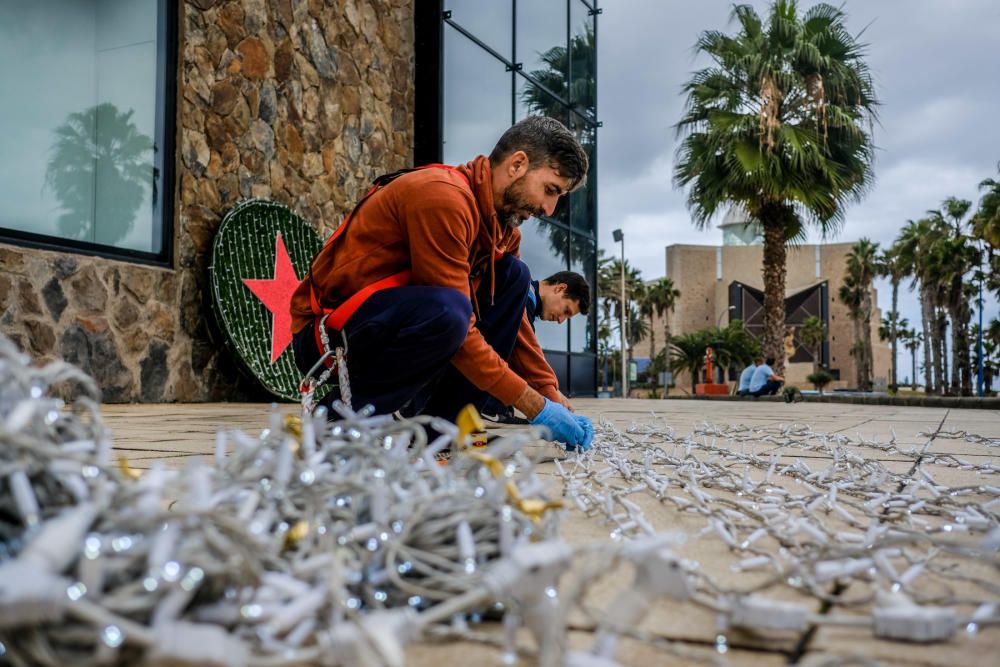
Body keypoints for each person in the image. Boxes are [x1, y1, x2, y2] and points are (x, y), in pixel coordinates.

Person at [289, 116, 593, 450]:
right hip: (328, 338)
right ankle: (341, 419)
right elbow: (459, 331)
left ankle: (447, 431)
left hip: (387, 328)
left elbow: (516, 323)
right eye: (551, 190)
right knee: (450, 312)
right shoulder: (443, 198)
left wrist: (550, 394)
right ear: (518, 164)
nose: (549, 209)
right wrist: (535, 408)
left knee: (515, 278)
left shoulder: (504, 232)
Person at [482, 271, 590, 423]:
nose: (561, 320)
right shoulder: (521, 293)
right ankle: (489, 405)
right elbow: (526, 357)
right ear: (560, 288)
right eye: (566, 311)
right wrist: (553, 401)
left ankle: (495, 406)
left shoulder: (526, 299)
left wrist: (555, 392)